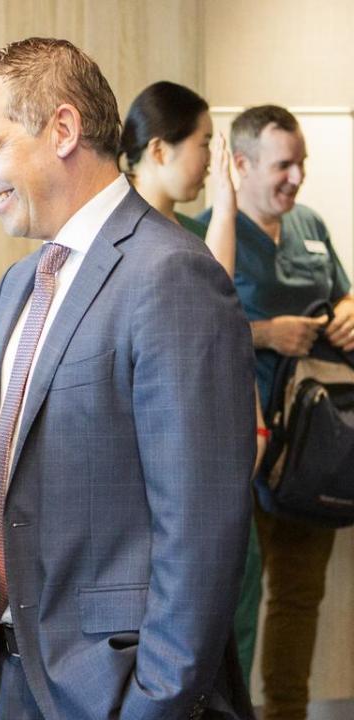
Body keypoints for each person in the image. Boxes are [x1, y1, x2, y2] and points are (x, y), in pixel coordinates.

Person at [0, 37, 257, 719]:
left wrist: (154, 703)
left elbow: (200, 523)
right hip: (18, 679)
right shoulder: (19, 284)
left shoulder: (172, 275)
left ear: (62, 129)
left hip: (122, 692)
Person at [200, 105, 354, 720]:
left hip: (315, 452)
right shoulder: (212, 232)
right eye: (283, 164)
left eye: (302, 163)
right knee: (230, 602)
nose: (296, 178)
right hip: (242, 448)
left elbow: (343, 289)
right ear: (240, 166)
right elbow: (192, 331)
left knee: (298, 598)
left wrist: (349, 309)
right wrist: (263, 334)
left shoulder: (311, 225)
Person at [120, 80, 266, 688]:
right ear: (160, 149)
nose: (211, 160)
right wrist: (229, 208)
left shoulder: (182, 236)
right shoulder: (134, 244)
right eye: (204, 143)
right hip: (163, 495)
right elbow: (212, 292)